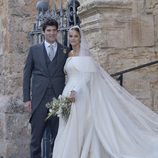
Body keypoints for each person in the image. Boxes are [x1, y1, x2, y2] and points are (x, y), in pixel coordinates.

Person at [52, 25, 158, 158]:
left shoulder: (86, 55)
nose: (73, 39)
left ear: (80, 39)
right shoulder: (69, 54)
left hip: (79, 93)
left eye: (76, 36)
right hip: (67, 92)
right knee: (67, 124)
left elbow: (87, 77)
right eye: (71, 36)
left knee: (79, 125)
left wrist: (76, 91)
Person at [23, 18, 68, 158]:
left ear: (58, 31)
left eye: (54, 30)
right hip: (39, 99)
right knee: (36, 139)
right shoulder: (34, 50)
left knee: (58, 137)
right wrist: (26, 99)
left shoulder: (65, 50)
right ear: (43, 32)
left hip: (58, 100)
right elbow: (26, 75)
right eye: (49, 30)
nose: (52, 33)